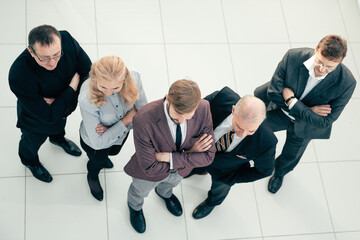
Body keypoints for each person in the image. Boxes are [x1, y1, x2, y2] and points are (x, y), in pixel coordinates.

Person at [254, 35, 357, 194]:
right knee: (256, 132)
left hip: (306, 125)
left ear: (340, 62)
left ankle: (280, 173)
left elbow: (326, 121)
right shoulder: (293, 57)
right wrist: (309, 111)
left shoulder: (347, 82)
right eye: (320, 62)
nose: (322, 70)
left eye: (330, 67)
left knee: (291, 155)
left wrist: (292, 101)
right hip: (279, 111)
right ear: (317, 49)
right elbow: (274, 93)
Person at [124, 79, 216, 233]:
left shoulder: (203, 107)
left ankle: (164, 193)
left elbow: (208, 156)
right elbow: (149, 167)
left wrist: (171, 158)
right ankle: (135, 207)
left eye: (187, 118)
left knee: (170, 184)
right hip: (148, 175)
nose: (180, 122)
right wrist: (190, 154)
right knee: (138, 191)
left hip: (180, 170)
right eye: (176, 118)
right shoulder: (143, 119)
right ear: (167, 99)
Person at [8, 25, 92, 183]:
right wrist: (71, 87)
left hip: (63, 110)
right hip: (35, 120)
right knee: (31, 143)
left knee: (59, 126)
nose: (53, 62)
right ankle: (30, 162)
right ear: (31, 52)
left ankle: (58, 139)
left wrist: (59, 102)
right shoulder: (18, 74)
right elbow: (48, 116)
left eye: (56, 54)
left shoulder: (66, 39)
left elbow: (88, 70)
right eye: (45, 58)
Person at [187, 87, 277, 219]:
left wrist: (233, 177)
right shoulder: (221, 98)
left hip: (225, 172)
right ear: (234, 110)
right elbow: (194, 115)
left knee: (219, 190)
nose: (242, 134)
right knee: (199, 166)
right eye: (239, 126)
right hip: (200, 152)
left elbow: (264, 171)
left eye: (251, 131)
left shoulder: (266, 142)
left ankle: (211, 203)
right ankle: (200, 170)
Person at [78, 56, 147, 201]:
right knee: (96, 162)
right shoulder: (87, 97)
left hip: (119, 136)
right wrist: (127, 119)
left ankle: (103, 161)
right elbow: (98, 143)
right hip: (94, 144)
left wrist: (111, 128)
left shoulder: (133, 76)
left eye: (116, 88)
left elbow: (142, 110)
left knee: (113, 152)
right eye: (103, 87)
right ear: (95, 79)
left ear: (124, 80)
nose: (108, 93)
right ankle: (92, 176)